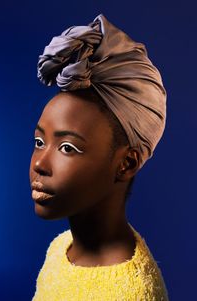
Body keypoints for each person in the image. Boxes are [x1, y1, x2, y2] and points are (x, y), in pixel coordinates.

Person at [29, 14, 169, 300]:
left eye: (67, 147)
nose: (39, 164)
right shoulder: (61, 248)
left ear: (126, 163)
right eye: (39, 141)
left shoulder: (133, 294)